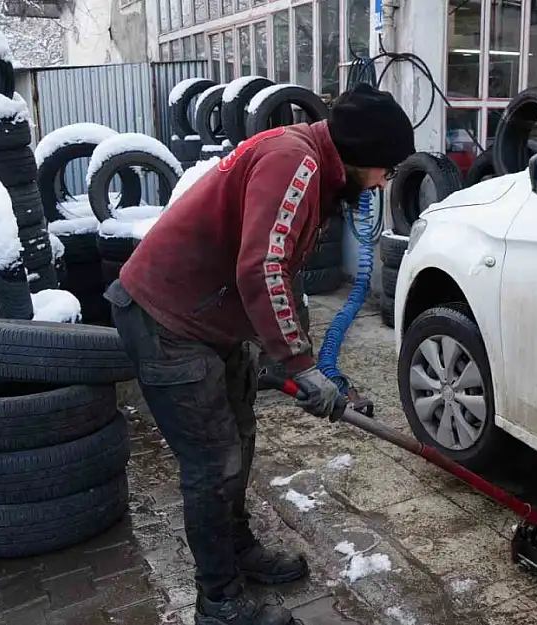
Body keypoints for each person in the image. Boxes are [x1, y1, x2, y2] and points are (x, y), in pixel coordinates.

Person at [103, 84, 416, 625]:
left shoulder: (313, 162)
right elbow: (262, 267)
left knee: (239, 440)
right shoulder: (295, 161)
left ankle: (238, 547)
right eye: (385, 168)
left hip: (208, 321)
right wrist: (300, 364)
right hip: (167, 320)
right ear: (361, 153)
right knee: (212, 462)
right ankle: (219, 601)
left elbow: (280, 268)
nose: (385, 181)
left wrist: (287, 354)